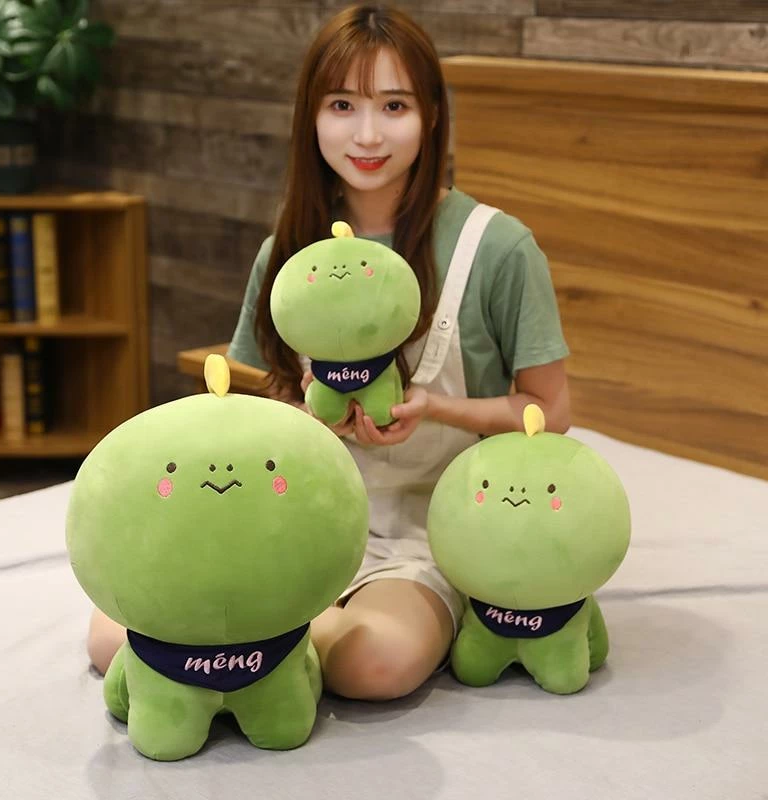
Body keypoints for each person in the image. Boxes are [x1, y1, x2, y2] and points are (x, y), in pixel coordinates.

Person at [87, 3, 570, 702]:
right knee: (111, 638)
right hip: (292, 511)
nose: (367, 134)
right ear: (311, 117)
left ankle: (259, 648)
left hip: (429, 528)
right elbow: (265, 402)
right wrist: (312, 420)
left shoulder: (497, 247)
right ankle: (265, 643)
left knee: (370, 666)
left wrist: (433, 408)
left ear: (432, 115)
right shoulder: (285, 254)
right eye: (342, 105)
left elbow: (550, 411)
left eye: (394, 105)